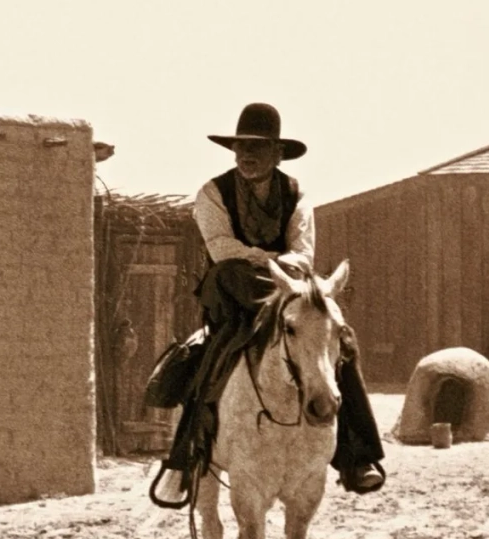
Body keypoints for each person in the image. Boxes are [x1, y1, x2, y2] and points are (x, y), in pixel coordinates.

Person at [152, 103, 385, 506]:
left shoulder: (296, 194)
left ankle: (357, 456)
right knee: (211, 355)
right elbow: (222, 248)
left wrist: (281, 271)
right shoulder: (213, 193)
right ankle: (183, 459)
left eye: (258, 147)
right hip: (235, 294)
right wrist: (269, 261)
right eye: (242, 146)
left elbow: (303, 253)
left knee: (341, 344)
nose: (247, 154)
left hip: (289, 289)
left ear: (278, 153)